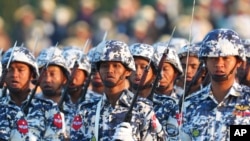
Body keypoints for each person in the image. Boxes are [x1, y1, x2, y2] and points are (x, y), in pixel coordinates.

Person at [71, 40, 165, 141]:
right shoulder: (86, 109)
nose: (110, 70)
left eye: (116, 65)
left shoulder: (143, 109)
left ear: (128, 71)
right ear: (98, 70)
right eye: (105, 66)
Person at [181, 28, 250, 141]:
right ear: (205, 62)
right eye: (213, 58)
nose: (219, 64)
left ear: (238, 62)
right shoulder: (189, 104)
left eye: (226, 58)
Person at [0, 46, 62, 140]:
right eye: (9, 70)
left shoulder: (48, 108)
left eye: (21, 70)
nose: (14, 75)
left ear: (32, 74)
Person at [36, 46, 70, 139]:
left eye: (52, 74)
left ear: (64, 78)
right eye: (43, 74)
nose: (47, 79)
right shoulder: (28, 107)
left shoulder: (77, 109)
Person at [152, 43, 184, 140]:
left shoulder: (184, 102)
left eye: (165, 69)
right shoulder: (140, 102)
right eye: (157, 69)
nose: (161, 74)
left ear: (176, 72)